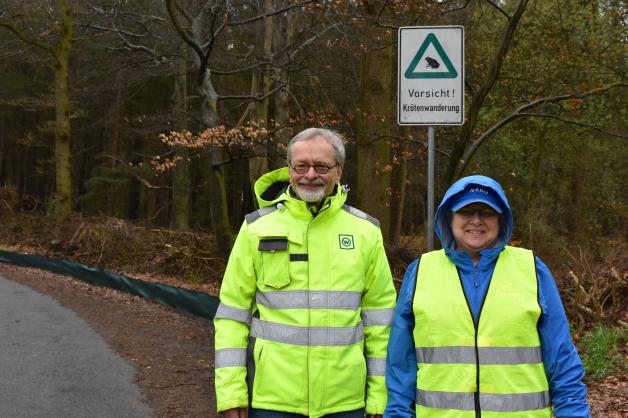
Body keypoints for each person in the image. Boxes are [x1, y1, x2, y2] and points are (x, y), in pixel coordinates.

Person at [214, 128, 397, 418]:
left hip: (346, 403)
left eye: (321, 166)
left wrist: (379, 397)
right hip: (272, 402)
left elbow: (381, 322)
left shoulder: (365, 233)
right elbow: (232, 317)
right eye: (301, 165)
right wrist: (231, 393)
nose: (310, 174)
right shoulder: (256, 229)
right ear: (289, 170)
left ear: (339, 171)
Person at [384, 175, 590, 417]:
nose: (476, 220)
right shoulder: (420, 272)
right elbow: (400, 362)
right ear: (449, 217)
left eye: (487, 212)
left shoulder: (532, 269)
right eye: (466, 211)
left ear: (501, 219)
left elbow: (561, 357)